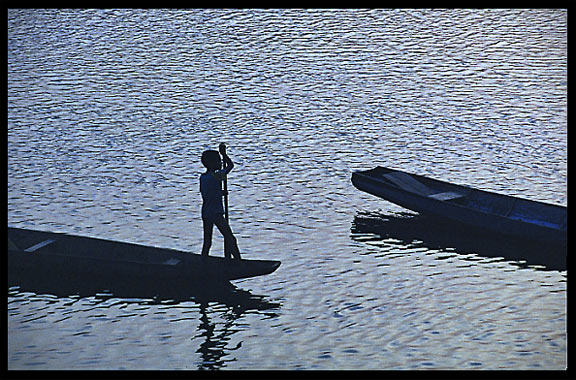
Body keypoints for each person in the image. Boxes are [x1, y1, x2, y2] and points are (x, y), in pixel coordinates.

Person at [200, 145, 241, 260]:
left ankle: (203, 261)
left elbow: (209, 193)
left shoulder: (203, 177)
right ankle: (239, 261)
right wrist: (224, 154)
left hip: (206, 212)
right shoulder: (217, 176)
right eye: (218, 161)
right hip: (215, 213)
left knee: (207, 241)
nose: (220, 163)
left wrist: (220, 193)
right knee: (230, 238)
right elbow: (230, 166)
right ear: (212, 163)